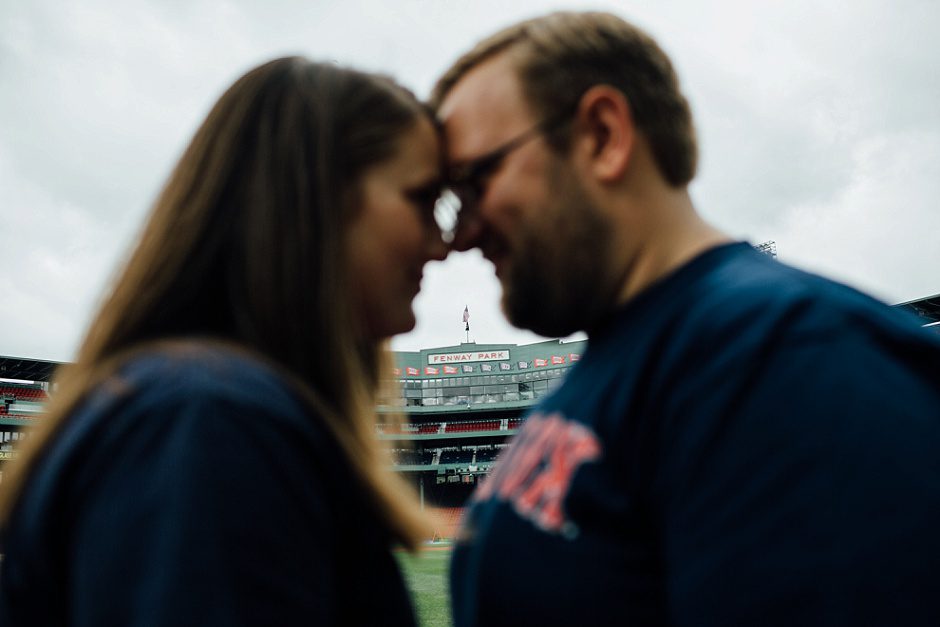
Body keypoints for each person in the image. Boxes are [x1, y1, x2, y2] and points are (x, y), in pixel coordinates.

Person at [431, 11, 940, 626]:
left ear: (601, 135)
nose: (461, 235)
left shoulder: (790, 357)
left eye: (476, 181)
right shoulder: (634, 358)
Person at [0, 57, 448, 626]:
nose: (443, 243)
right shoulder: (207, 420)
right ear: (316, 199)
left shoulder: (201, 406)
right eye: (423, 200)